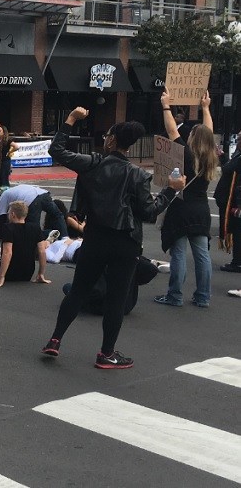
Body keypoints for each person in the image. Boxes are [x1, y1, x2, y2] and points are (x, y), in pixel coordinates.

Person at [41, 107, 184, 370]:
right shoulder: (137, 174)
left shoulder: (93, 163)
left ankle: (55, 338)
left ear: (112, 140)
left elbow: (57, 150)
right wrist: (170, 192)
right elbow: (148, 212)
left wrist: (71, 120)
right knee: (116, 298)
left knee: (78, 290)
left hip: (95, 237)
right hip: (125, 242)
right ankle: (106, 353)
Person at [154, 88, 217, 308]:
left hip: (181, 208)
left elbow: (171, 130)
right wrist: (206, 108)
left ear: (192, 139)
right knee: (202, 256)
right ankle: (202, 296)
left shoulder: (186, 154)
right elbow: (208, 131)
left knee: (178, 253)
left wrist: (165, 105)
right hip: (201, 210)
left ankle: (175, 295)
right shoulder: (210, 157)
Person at [0, 184, 67, 238]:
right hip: (43, 194)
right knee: (58, 215)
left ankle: (48, 233)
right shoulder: (15, 189)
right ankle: (65, 237)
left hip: (32, 200)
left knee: (33, 229)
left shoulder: (4, 195)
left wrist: (2, 234)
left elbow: (1, 216)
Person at [215, 144, 241, 273]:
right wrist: (223, 156)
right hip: (234, 198)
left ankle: (237, 262)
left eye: (239, 139)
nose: (237, 141)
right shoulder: (238, 155)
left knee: (237, 231)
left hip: (236, 200)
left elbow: (227, 168)